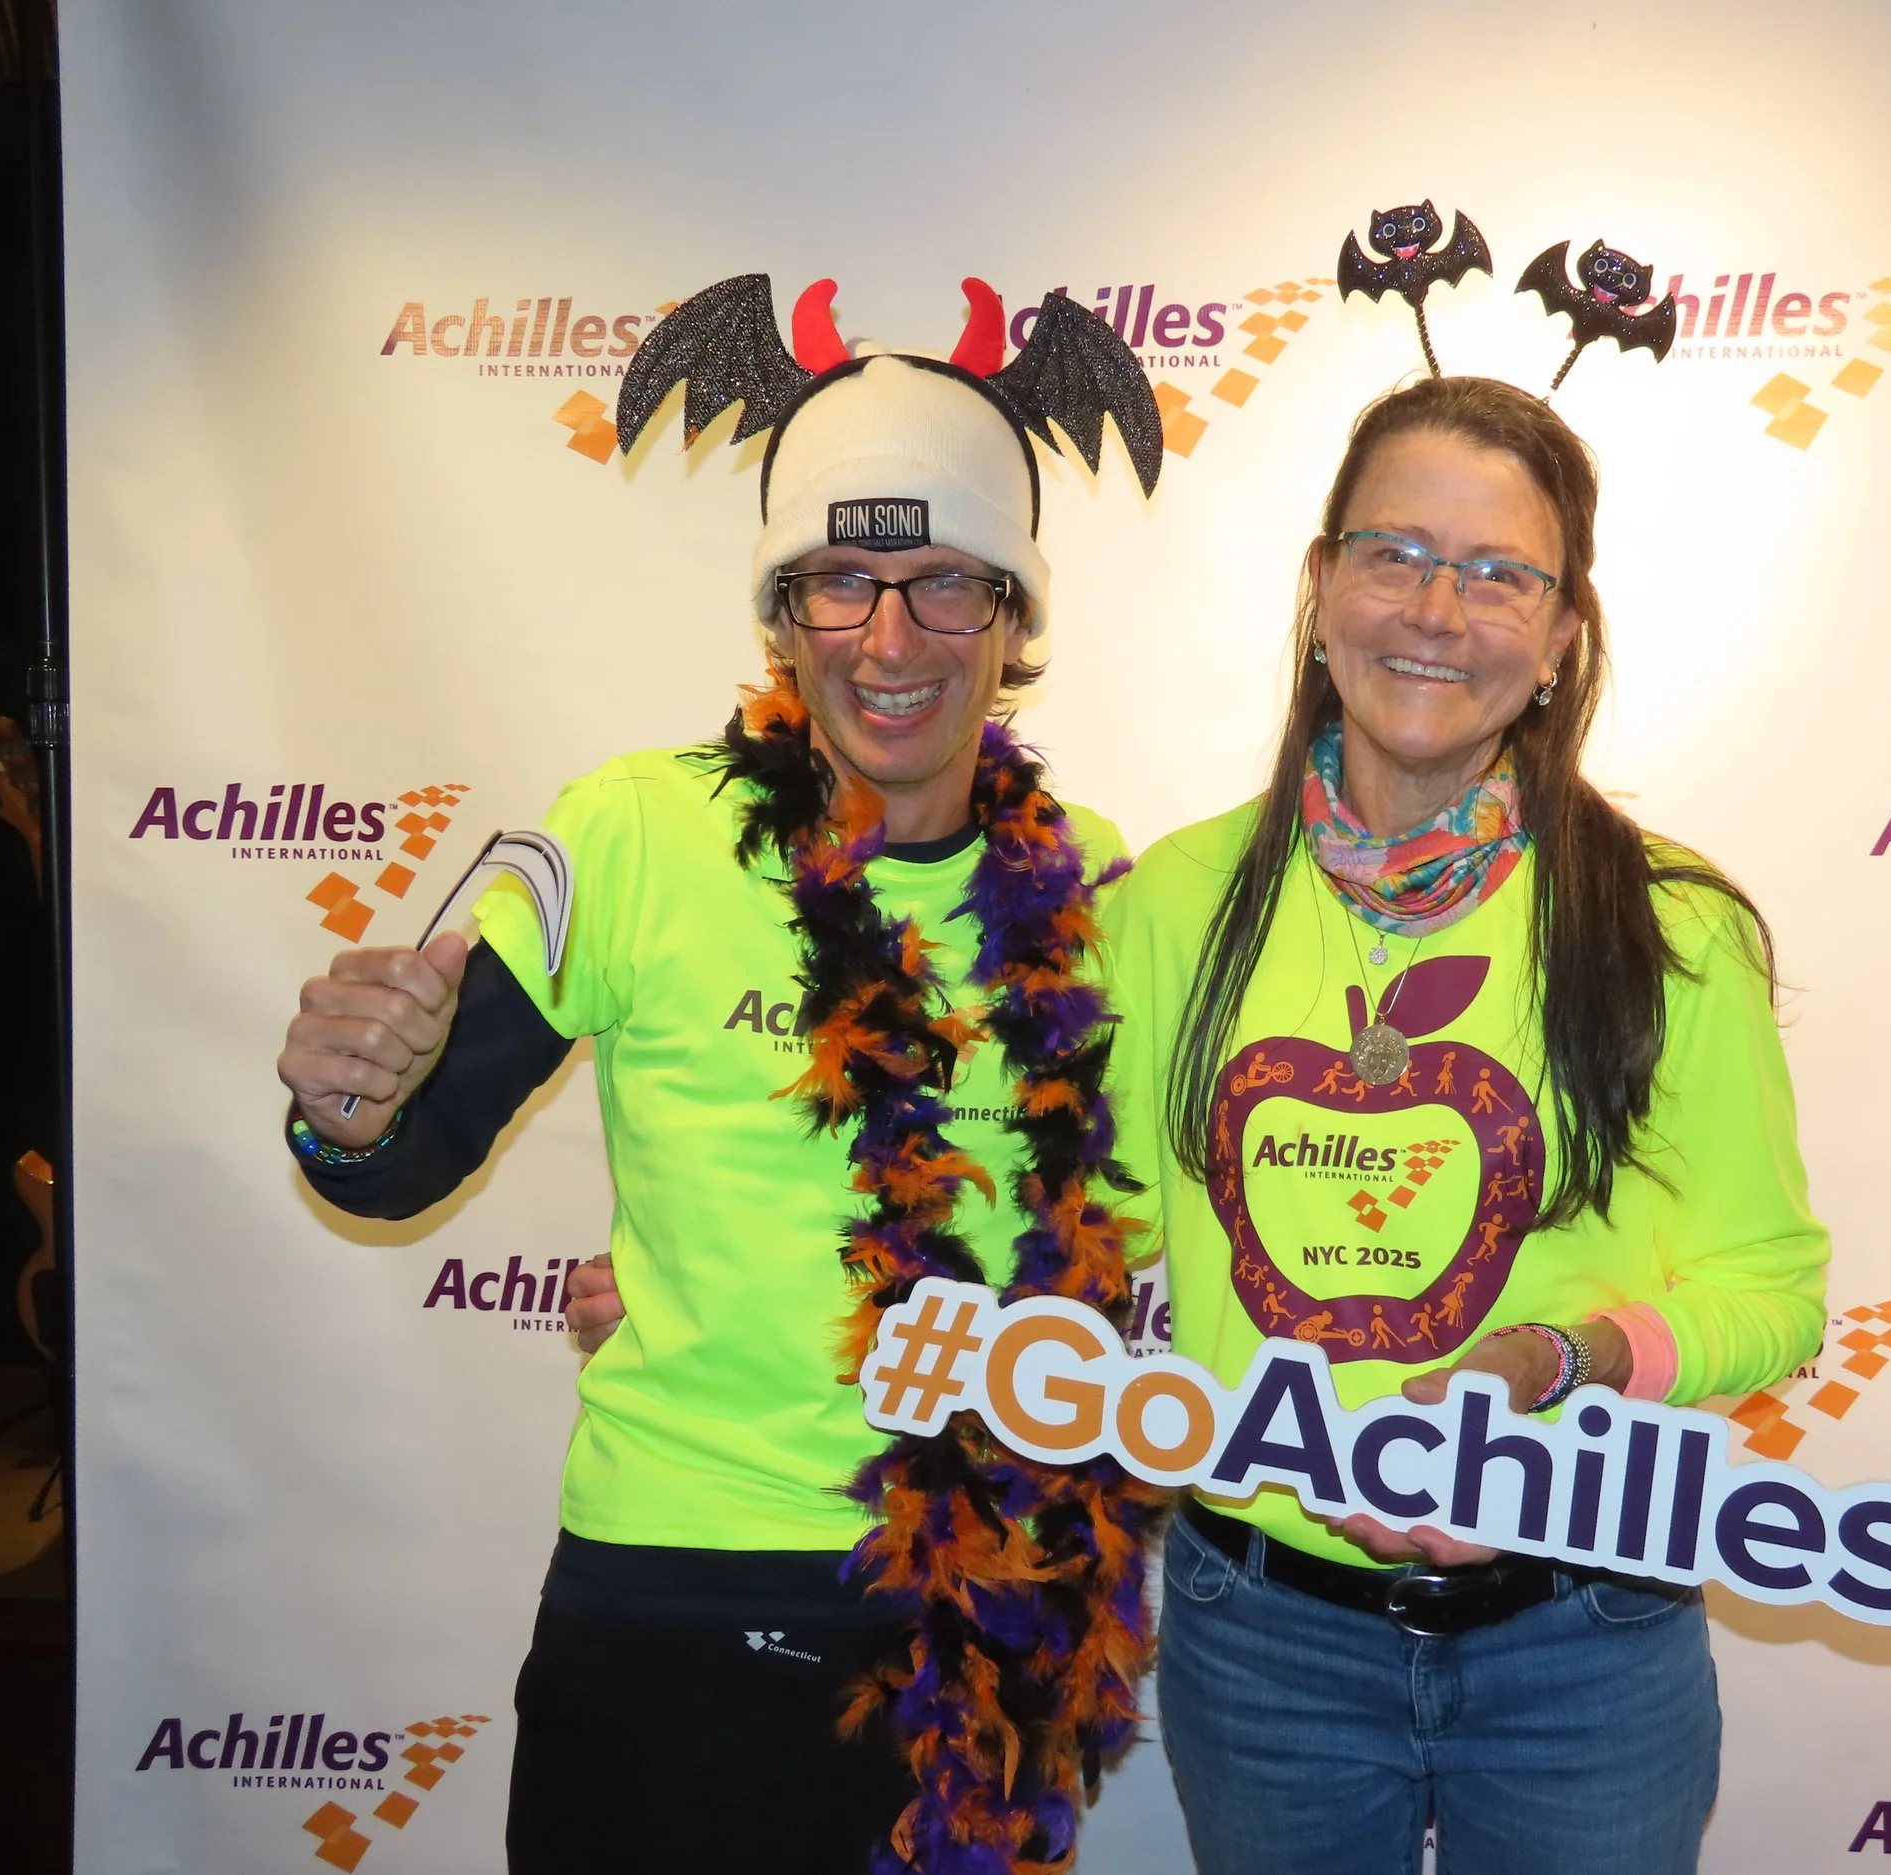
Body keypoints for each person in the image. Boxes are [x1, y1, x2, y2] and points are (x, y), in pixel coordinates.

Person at [274, 274, 1164, 1875]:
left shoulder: (1095, 884)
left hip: (973, 1631)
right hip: (673, 1597)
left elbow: (1132, 1245)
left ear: (1015, 618)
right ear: (780, 615)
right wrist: (347, 1106)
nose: (889, 640)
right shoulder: (633, 829)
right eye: (840, 582)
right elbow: (399, 1150)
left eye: (944, 584)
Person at [1101, 373, 1830, 1875]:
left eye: (1501, 573)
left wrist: (1556, 1364)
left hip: (1586, 1642)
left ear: (1562, 639)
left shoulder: (1673, 927)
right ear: (1318, 590)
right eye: (1393, 554)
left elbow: (1772, 1292)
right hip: (1265, 1644)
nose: (1437, 608)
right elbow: (1064, 1241)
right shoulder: (1171, 905)